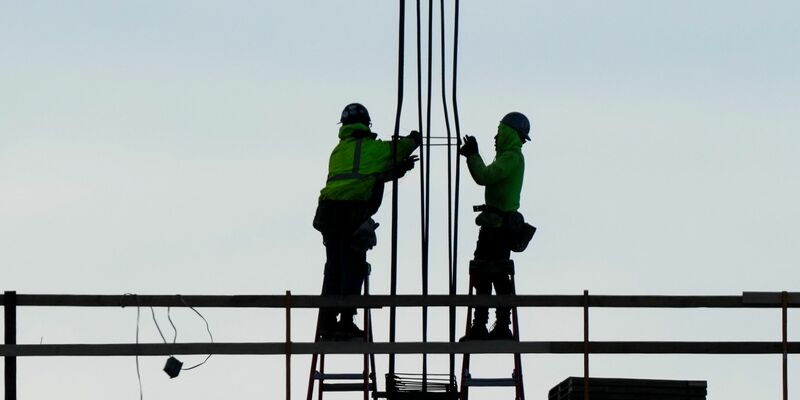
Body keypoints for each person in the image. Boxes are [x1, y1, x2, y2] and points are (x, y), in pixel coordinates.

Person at [313, 103, 421, 340]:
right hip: (350, 214)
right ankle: (345, 322)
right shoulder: (370, 148)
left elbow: (367, 176)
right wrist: (414, 139)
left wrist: (398, 170)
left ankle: (327, 322)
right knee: (353, 266)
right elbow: (396, 149)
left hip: (328, 213)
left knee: (334, 267)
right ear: (366, 124)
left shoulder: (339, 150)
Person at [458, 111, 532, 341]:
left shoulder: (511, 157)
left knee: (493, 274)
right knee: (488, 275)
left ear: (507, 133)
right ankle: (487, 325)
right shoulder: (508, 157)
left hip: (498, 228)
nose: (495, 137)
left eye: (499, 132)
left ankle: (495, 326)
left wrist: (473, 155)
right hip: (494, 225)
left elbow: (484, 176)